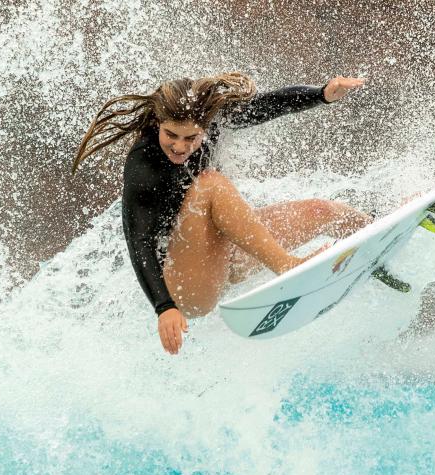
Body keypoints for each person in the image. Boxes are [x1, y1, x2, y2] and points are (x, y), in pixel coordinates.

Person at [72, 73, 371, 354]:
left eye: (191, 138)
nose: (179, 146)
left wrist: (322, 95)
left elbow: (268, 105)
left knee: (322, 211)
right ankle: (288, 266)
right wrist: (164, 307)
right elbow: (138, 241)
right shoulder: (143, 165)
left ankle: (380, 228)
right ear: (159, 122)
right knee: (211, 184)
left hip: (222, 254)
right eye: (171, 135)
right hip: (184, 281)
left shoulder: (215, 119)